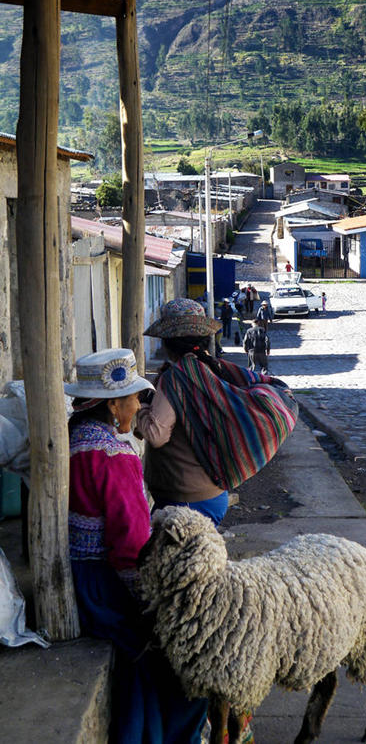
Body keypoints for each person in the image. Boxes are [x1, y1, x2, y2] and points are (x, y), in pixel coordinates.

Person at [65, 348, 209, 744]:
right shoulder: (111, 456)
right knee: (180, 657)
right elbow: (128, 543)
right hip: (104, 586)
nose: (138, 404)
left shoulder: (77, 436)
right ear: (113, 404)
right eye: (133, 398)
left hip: (85, 574)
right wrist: (151, 600)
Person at [137, 298, 229, 526]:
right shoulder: (211, 370)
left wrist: (141, 407)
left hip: (186, 500)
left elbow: (156, 435)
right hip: (213, 490)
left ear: (169, 343)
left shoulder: (175, 378)